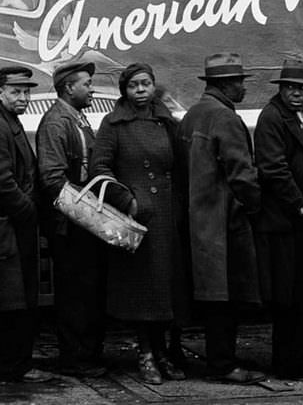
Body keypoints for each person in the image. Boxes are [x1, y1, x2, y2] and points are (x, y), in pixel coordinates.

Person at [90, 62, 187, 385]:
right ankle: (145, 354)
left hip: (166, 217)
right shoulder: (113, 124)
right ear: (124, 91)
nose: (141, 90)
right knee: (143, 292)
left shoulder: (165, 121)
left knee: (165, 290)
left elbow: (181, 165)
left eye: (146, 83)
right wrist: (128, 200)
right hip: (136, 221)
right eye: (134, 86)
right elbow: (100, 169)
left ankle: (162, 352)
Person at [177, 53, 266, 385]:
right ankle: (223, 364)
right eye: (240, 81)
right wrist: (254, 206)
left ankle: (220, 359)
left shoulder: (192, 114)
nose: (243, 86)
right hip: (224, 221)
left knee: (213, 296)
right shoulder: (225, 118)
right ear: (226, 85)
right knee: (226, 296)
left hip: (197, 219)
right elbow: (242, 174)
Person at [252, 58, 303, 383]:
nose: (297, 94)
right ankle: (290, 364)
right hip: (287, 217)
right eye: (291, 88)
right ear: (281, 89)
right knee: (292, 295)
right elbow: (272, 168)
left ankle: (297, 360)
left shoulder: (302, 116)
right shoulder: (273, 117)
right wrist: (297, 204)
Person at [0, 66, 52, 383]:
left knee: (18, 300)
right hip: (6, 227)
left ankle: (14, 365)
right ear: (0, 92)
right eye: (16, 92)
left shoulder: (9, 123)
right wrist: (29, 210)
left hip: (13, 224)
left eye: (26, 92)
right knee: (11, 302)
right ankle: (11, 368)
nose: (23, 98)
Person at [35, 60, 108, 379]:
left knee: (89, 290)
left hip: (84, 222)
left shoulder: (78, 118)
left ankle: (87, 354)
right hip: (71, 225)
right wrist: (89, 209)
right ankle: (75, 358)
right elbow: (52, 178)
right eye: (87, 83)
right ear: (69, 88)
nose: (91, 89)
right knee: (75, 294)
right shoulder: (55, 123)